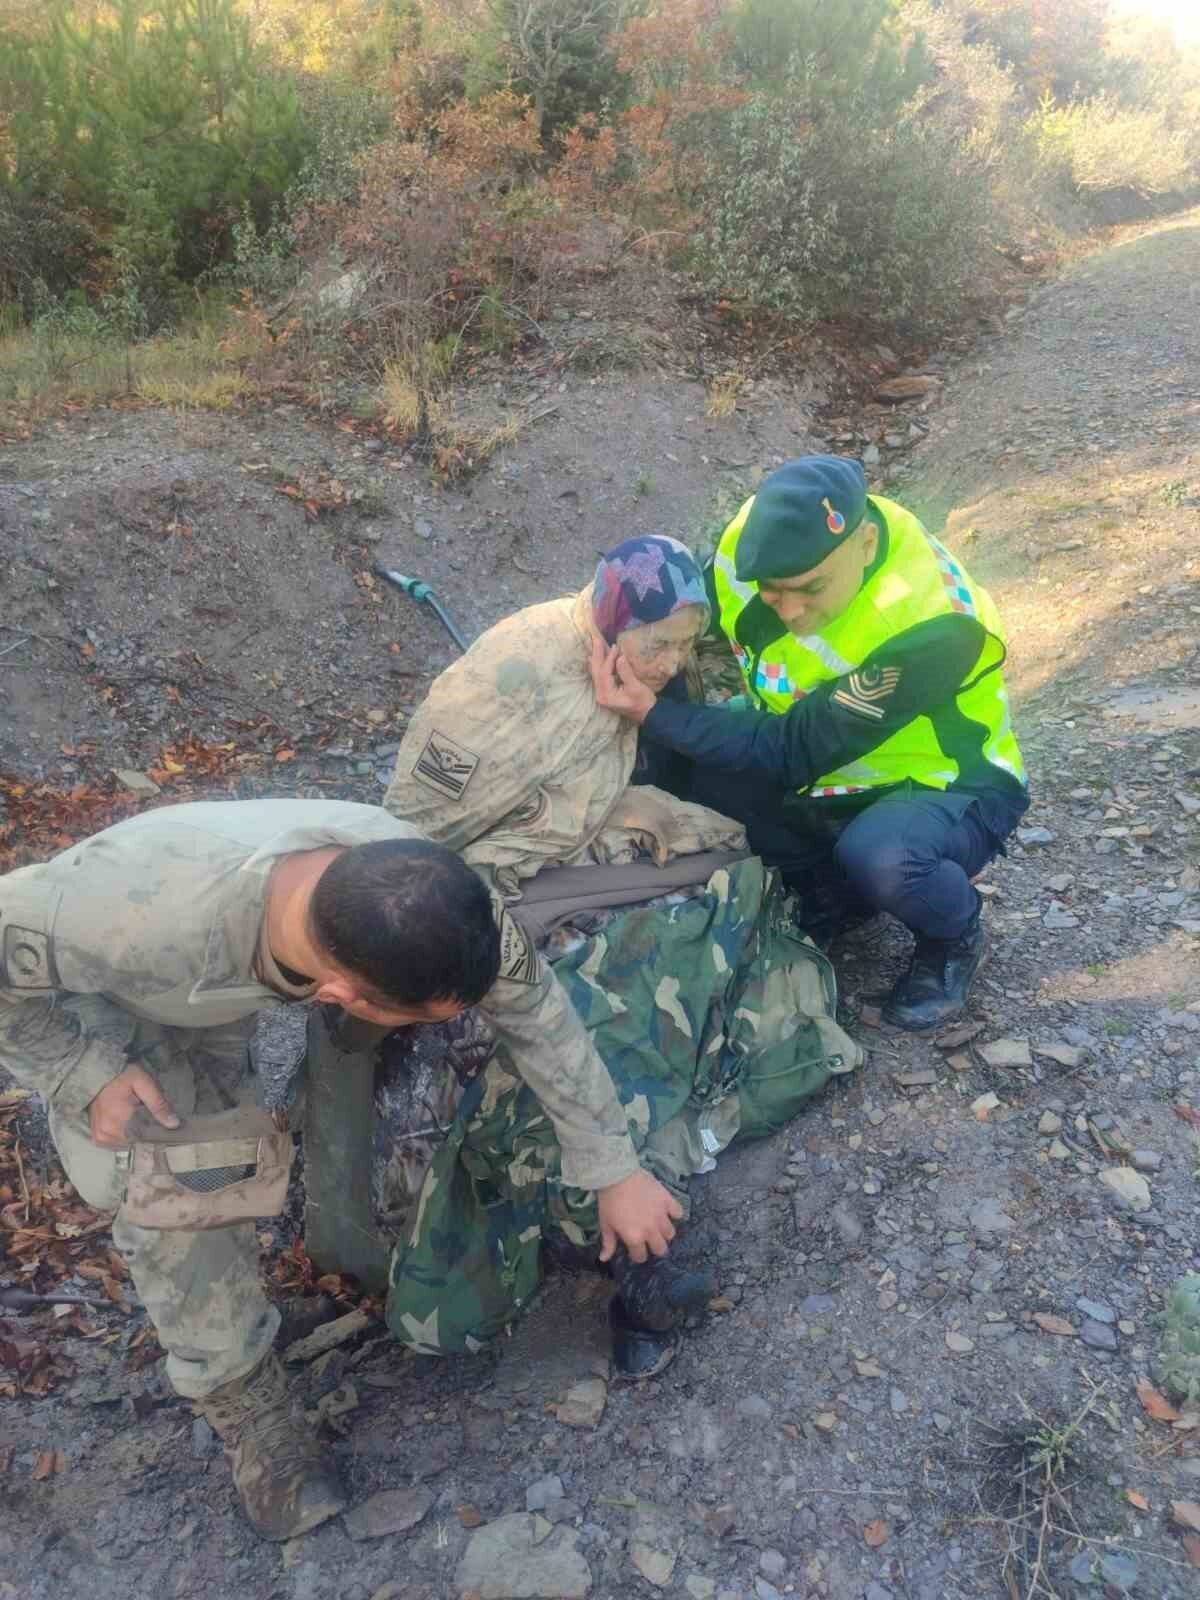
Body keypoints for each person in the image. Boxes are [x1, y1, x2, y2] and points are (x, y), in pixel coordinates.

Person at [0, 798, 681, 1540]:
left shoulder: (427, 890)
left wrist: (614, 1169)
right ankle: (245, 1405)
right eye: (422, 1016)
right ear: (338, 995)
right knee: (181, 1196)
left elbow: (536, 1012)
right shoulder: (135, 920)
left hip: (235, 966)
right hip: (115, 992)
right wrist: (82, 1071)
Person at [381, 535, 860, 1373]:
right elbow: (411, 835)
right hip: (491, 880)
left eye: (684, 642)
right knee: (596, 1005)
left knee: (729, 879)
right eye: (658, 645)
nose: (673, 661)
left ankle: (647, 1181)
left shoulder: (645, 654)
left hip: (573, 843)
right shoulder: (513, 684)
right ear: (607, 624)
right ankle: (627, 1231)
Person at [590, 457, 1030, 1030]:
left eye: (811, 590)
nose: (792, 612)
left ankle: (954, 933)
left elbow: (790, 751)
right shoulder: (749, 543)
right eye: (774, 593)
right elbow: (690, 625)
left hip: (944, 783)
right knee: (679, 769)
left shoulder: (933, 625)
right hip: (827, 770)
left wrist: (655, 713)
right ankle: (836, 894)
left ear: (865, 543)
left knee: (884, 857)